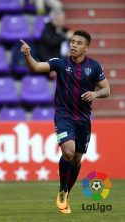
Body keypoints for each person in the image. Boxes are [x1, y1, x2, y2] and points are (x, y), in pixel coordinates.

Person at [20, 30, 110, 214]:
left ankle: (67, 192)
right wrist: (28, 55)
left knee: (77, 160)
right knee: (68, 153)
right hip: (64, 116)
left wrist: (95, 93)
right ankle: (62, 189)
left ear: (86, 47)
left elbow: (106, 90)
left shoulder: (94, 67)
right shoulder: (60, 63)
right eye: (72, 42)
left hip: (83, 119)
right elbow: (36, 68)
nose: (73, 45)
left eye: (78, 43)